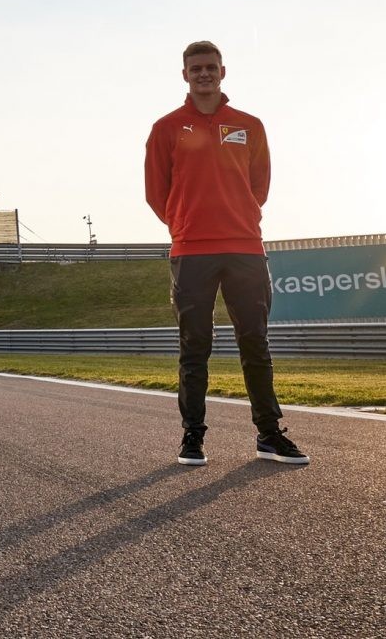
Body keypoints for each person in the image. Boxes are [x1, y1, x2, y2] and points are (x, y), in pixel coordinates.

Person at [144, 41, 309, 467]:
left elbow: (260, 185)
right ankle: (192, 437)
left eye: (210, 67)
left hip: (245, 249)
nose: (204, 74)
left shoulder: (249, 125)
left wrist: (239, 218)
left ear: (223, 71)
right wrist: (184, 226)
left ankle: (270, 435)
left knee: (255, 342)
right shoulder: (166, 128)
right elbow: (155, 191)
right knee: (194, 346)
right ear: (184, 75)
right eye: (196, 68)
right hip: (192, 251)